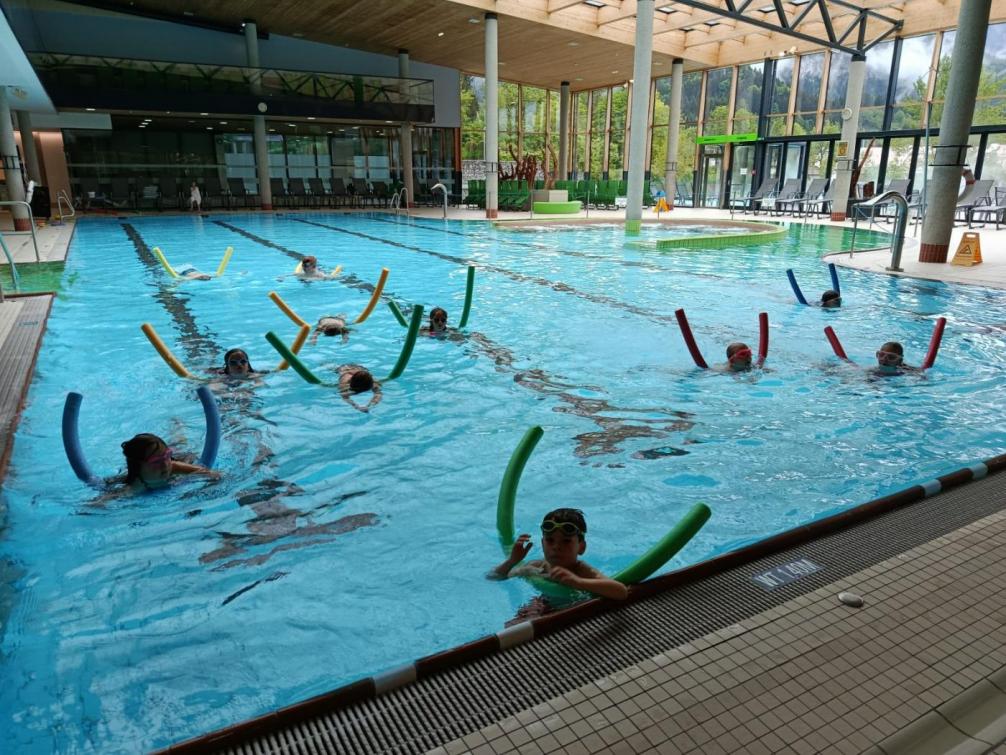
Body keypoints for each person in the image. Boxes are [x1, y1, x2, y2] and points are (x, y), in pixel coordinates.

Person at [491, 508, 628, 601]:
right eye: (550, 540)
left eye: (566, 541)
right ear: (542, 543)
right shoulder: (536, 566)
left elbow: (621, 591)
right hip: (540, 605)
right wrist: (512, 561)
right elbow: (495, 577)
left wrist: (579, 582)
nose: (556, 547)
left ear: (581, 547)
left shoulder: (581, 571)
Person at [120, 433, 216, 491]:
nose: (165, 464)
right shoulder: (132, 487)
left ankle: (177, 428)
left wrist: (198, 493)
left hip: (183, 457)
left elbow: (213, 474)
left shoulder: (174, 467)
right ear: (137, 466)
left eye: (167, 455)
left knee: (180, 443)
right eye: (156, 461)